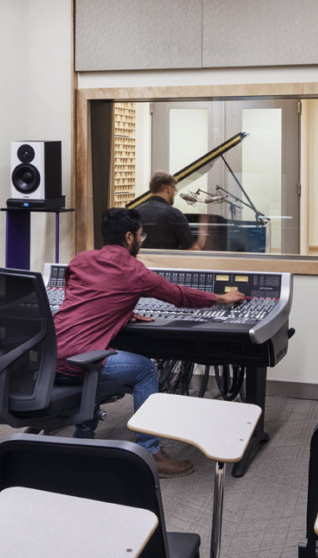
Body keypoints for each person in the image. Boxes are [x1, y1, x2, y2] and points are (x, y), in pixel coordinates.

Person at [54, 207, 246, 476]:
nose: (141, 243)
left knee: (100, 360)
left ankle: (83, 438)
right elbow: (179, 296)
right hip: (80, 360)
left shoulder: (80, 260)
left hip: (49, 355)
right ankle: (150, 452)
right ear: (129, 237)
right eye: (142, 237)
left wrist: (120, 310)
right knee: (145, 368)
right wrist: (222, 298)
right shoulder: (133, 271)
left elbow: (79, 297)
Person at [135, 171, 206, 250]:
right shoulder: (174, 214)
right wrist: (203, 235)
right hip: (167, 261)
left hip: (141, 261)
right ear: (168, 189)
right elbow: (191, 250)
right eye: (174, 190)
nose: (174, 194)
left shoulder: (136, 212)